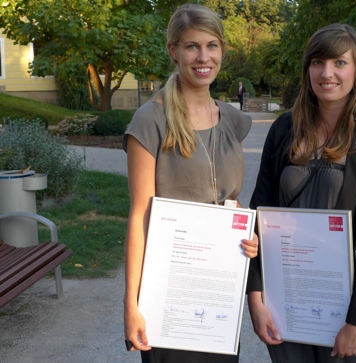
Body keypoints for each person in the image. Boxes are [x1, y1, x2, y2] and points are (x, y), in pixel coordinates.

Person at [246, 23, 356, 362]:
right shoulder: (283, 129)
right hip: (284, 301)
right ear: (307, 69)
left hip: (344, 308)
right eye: (317, 62)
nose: (326, 73)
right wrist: (255, 298)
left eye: (339, 63)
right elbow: (257, 216)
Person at [122, 4, 258, 363]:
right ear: (174, 51)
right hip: (168, 289)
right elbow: (140, 216)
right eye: (192, 46)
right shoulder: (150, 120)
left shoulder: (233, 120)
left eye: (212, 46)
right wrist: (132, 304)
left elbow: (229, 200)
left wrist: (247, 234)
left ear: (222, 51)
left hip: (219, 290)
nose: (203, 57)